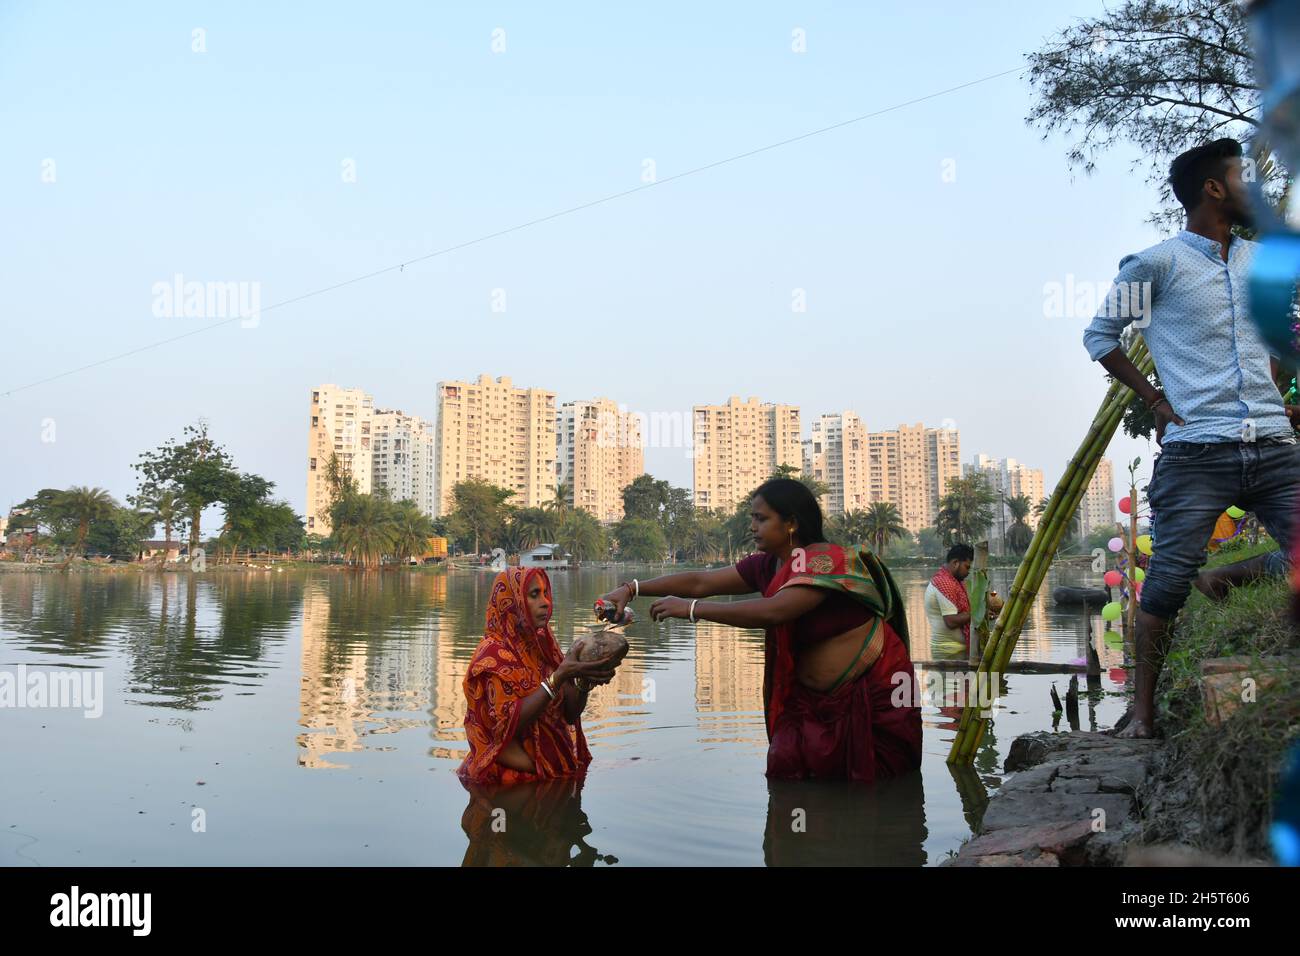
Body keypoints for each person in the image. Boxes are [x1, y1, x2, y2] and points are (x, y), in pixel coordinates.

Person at [1082, 137, 1300, 738]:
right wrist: (1154, 399)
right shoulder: (1154, 264)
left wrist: (1278, 392)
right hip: (1198, 450)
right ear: (1214, 188)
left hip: (1275, 444)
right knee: (1169, 579)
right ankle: (1144, 712)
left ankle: (1233, 580)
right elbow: (1099, 335)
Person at [594, 478, 922, 783]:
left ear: (791, 522)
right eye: (753, 518)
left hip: (868, 693)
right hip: (809, 704)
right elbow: (700, 581)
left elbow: (775, 610)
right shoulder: (767, 565)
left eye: (761, 519)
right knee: (791, 774)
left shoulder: (825, 562)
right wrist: (631, 588)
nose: (752, 527)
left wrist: (692, 609)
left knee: (873, 789)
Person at [458, 567, 619, 785]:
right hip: (506, 782)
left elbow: (569, 715)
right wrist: (559, 677)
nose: (545, 602)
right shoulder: (492, 656)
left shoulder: (543, 643)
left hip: (553, 771)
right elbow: (506, 726)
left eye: (545, 593)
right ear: (511, 602)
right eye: (534, 595)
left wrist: (583, 680)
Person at [925, 544, 974, 647]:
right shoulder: (944, 582)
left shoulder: (955, 582)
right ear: (955, 563)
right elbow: (951, 621)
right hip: (948, 652)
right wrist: (979, 614)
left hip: (955, 650)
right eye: (967, 567)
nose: (968, 572)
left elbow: (965, 612)